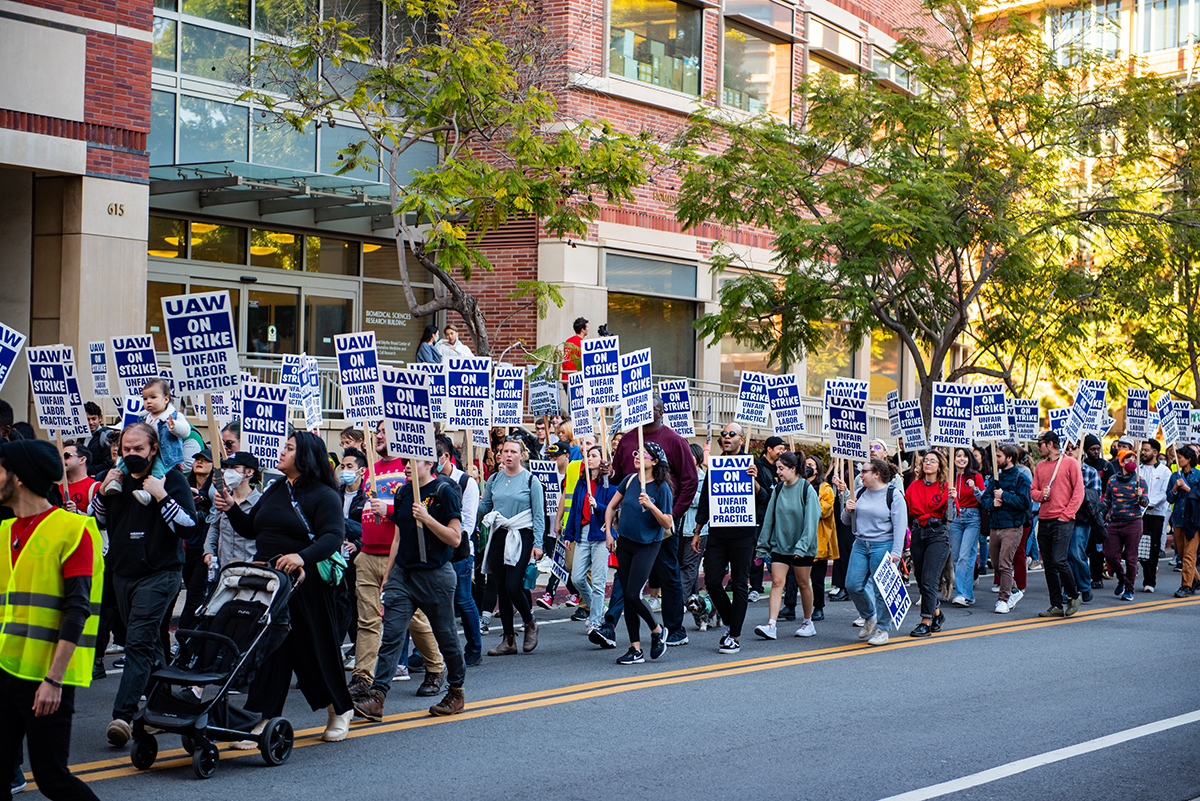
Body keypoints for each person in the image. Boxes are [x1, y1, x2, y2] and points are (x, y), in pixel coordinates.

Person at [216, 432, 354, 743]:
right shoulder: (276, 488)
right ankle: (260, 716)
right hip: (270, 584)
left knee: (315, 649)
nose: (281, 452)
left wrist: (301, 557)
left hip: (305, 585)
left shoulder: (324, 494)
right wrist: (230, 508)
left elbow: (332, 537)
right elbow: (252, 528)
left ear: (305, 456)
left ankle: (340, 709)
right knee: (269, 650)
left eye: (289, 448)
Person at [0, 439, 103, 801]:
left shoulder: (72, 530)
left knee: (51, 778)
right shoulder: (3, 532)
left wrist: (54, 681)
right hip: (4, 670)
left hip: (44, 679)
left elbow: (77, 609)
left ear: (20, 478)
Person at [93, 422, 199, 746]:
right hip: (122, 574)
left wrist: (162, 496)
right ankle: (165, 705)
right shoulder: (116, 480)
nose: (132, 454)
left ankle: (123, 716)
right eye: (126, 450)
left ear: (153, 449)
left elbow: (189, 527)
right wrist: (101, 492)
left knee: (138, 642)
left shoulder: (172, 479)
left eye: (139, 449)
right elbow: (98, 520)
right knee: (150, 644)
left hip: (160, 574)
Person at [351, 456, 467, 720]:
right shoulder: (403, 491)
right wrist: (389, 574)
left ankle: (456, 691)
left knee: (446, 636)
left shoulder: (443, 492)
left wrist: (427, 518)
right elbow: (398, 536)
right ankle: (377, 696)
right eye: (404, 461)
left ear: (429, 464)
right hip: (404, 575)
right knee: (391, 635)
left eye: (411, 461)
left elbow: (455, 537)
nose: (404, 466)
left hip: (435, 576)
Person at [348, 423, 446, 697]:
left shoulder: (409, 469)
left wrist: (389, 509)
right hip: (368, 554)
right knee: (367, 620)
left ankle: (436, 667)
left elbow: (418, 509)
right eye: (376, 431)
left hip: (399, 558)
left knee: (412, 618)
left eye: (383, 431)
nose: (378, 436)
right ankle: (362, 677)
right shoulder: (369, 468)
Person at [603, 395, 697, 647]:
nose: (648, 412)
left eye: (654, 409)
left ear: (662, 412)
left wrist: (672, 515)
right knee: (625, 579)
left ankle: (674, 628)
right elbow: (619, 479)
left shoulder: (675, 442)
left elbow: (690, 482)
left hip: (661, 523)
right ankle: (610, 627)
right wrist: (608, 472)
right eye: (644, 408)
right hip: (632, 524)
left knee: (668, 574)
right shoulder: (628, 440)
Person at [692, 423, 770, 655]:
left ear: (741, 439)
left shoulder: (752, 464)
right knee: (713, 581)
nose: (726, 437)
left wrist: (755, 482)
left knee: (739, 583)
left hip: (743, 535)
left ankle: (733, 635)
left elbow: (765, 497)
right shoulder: (715, 465)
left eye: (731, 434)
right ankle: (729, 620)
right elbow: (706, 499)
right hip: (717, 532)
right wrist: (697, 530)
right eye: (723, 434)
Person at [604, 442, 673, 665]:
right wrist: (609, 534)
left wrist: (652, 506)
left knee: (633, 594)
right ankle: (635, 649)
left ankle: (657, 630)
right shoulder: (631, 480)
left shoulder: (662, 489)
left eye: (642, 454)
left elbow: (667, 522)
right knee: (627, 596)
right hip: (625, 543)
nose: (636, 456)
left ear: (654, 461)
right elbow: (611, 507)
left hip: (647, 545)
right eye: (636, 452)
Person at [479, 437, 545, 655]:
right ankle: (508, 640)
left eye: (513, 452)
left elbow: (538, 515)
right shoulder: (494, 479)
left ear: (522, 455)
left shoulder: (530, 481)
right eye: (505, 451)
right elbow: (486, 506)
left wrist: (538, 543)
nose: (508, 455)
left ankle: (530, 623)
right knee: (501, 588)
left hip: (521, 534)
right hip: (499, 532)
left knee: (513, 585)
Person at [835, 458, 907, 646]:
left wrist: (896, 552)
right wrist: (847, 510)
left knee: (882, 590)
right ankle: (869, 616)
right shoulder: (860, 492)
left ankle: (883, 629)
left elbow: (900, 526)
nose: (861, 475)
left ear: (876, 474)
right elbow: (846, 521)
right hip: (860, 544)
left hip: (883, 545)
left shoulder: (894, 495)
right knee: (852, 585)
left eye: (865, 471)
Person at [753, 452, 820, 640]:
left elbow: (811, 522)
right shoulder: (778, 489)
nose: (778, 472)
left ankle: (808, 622)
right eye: (777, 468)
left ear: (792, 469)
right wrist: (762, 546)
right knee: (776, 582)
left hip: (802, 547)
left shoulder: (807, 489)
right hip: (780, 545)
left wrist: (802, 547)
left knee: (803, 583)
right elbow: (769, 519)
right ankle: (771, 625)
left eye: (781, 468)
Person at [101, 378, 191, 505]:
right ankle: (117, 481)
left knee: (157, 471)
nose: (148, 401)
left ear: (166, 399)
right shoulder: (144, 417)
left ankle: (148, 492)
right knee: (125, 463)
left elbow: (186, 431)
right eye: (145, 398)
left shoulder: (175, 416)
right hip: (147, 452)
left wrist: (174, 426)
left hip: (164, 455)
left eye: (153, 397)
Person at [435, 440, 483, 667]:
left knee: (463, 599)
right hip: (435, 551)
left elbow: (468, 522)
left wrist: (447, 536)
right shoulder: (428, 480)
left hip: (459, 551)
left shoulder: (466, 482)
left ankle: (474, 647)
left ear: (445, 456)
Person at [1030, 430, 1084, 617]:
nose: (1038, 448)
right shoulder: (1040, 466)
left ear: (1050, 444)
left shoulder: (1070, 463)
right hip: (1044, 519)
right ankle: (1056, 605)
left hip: (1062, 519)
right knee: (1049, 565)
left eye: (1040, 444)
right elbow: (1033, 491)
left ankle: (1074, 595)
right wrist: (1040, 495)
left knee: (1059, 560)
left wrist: (1067, 515)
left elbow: (1079, 492)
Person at [565, 445, 616, 635]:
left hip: (601, 533)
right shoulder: (582, 483)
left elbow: (613, 510)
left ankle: (595, 621)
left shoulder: (609, 483)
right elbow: (574, 511)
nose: (589, 458)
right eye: (588, 455)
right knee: (577, 577)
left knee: (598, 580)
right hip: (584, 533)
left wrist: (599, 506)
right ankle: (598, 607)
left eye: (593, 455)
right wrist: (569, 534)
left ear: (603, 460)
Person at [906, 451, 951, 637]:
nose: (928, 463)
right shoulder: (913, 486)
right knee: (921, 580)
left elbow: (952, 518)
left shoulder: (946, 488)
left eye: (933, 461)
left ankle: (925, 621)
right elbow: (907, 511)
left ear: (939, 466)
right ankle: (937, 614)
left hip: (938, 534)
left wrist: (953, 501)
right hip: (918, 533)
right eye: (925, 460)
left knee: (930, 579)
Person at [983, 444, 1031, 613]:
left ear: (1009, 458)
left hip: (1012, 526)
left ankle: (1003, 599)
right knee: (996, 564)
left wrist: (1005, 496)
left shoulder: (1021, 478)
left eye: (998, 456)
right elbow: (985, 500)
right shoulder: (995, 477)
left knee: (1005, 563)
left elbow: (1026, 503)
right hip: (995, 526)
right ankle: (1015, 590)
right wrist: (993, 503)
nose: (995, 460)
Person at [1104, 448, 1149, 601]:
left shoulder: (1140, 481)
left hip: (1133, 523)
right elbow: (1107, 502)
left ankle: (1129, 589)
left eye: (1134, 460)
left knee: (1131, 558)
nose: (1132, 463)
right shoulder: (1112, 480)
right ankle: (1122, 578)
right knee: (1110, 555)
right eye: (1128, 460)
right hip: (1114, 523)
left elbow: (1145, 503)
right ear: (1121, 463)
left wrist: (1140, 496)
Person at [948, 448, 985, 608]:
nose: (961, 459)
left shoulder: (976, 476)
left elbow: (984, 499)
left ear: (969, 459)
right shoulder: (948, 477)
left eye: (964, 456)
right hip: (955, 517)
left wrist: (974, 488)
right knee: (958, 557)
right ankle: (968, 595)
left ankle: (961, 594)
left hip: (972, 518)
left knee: (964, 556)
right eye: (958, 456)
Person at [1138, 439, 1171, 592]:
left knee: (1153, 547)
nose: (1143, 453)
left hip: (1156, 514)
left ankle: (1149, 581)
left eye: (1146, 450)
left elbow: (1164, 493)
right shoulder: (1138, 469)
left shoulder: (1165, 472)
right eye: (1142, 450)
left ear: (1155, 453)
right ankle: (1149, 567)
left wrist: (1148, 502)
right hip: (1138, 514)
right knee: (1139, 548)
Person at [1167, 445, 1200, 597]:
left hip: (1193, 520)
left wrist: (1187, 488)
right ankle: (1196, 579)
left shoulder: (1198, 475)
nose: (1177, 460)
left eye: (1180, 457)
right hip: (1178, 519)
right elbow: (1170, 497)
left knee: (1189, 555)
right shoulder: (1175, 476)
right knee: (1181, 552)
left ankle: (1185, 586)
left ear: (1188, 459)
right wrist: (1175, 487)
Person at [680, 443, 708, 600]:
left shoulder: (703, 478)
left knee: (689, 565)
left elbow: (703, 501)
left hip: (697, 529)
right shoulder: (679, 477)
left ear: (698, 458)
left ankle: (682, 601)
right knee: (684, 564)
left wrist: (685, 495)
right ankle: (694, 599)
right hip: (680, 527)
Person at [62, 442, 99, 516]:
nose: (62, 460)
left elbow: (101, 521)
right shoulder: (56, 489)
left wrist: (78, 512)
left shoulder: (96, 488)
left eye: (66, 456)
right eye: (60, 457)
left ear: (82, 460)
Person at [84, 401, 115, 475]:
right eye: (87, 419)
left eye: (93, 419)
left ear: (100, 418)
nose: (90, 422)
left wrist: (85, 471)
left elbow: (108, 463)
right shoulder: (81, 436)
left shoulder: (106, 436)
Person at [561, 317, 588, 381]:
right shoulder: (581, 342)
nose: (588, 329)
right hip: (576, 379)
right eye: (587, 327)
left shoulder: (568, 341)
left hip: (565, 377)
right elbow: (584, 361)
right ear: (582, 330)